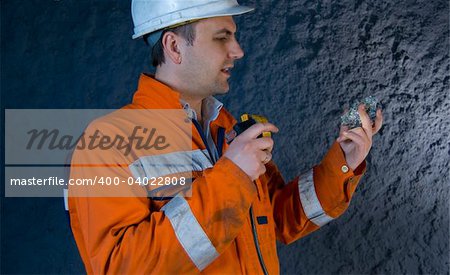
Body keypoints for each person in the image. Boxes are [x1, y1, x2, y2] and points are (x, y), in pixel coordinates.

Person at [68, 0, 383, 274]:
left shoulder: (225, 128)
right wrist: (232, 175)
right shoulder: (107, 141)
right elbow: (120, 267)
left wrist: (344, 161)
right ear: (174, 46)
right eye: (222, 38)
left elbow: (276, 218)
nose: (238, 50)